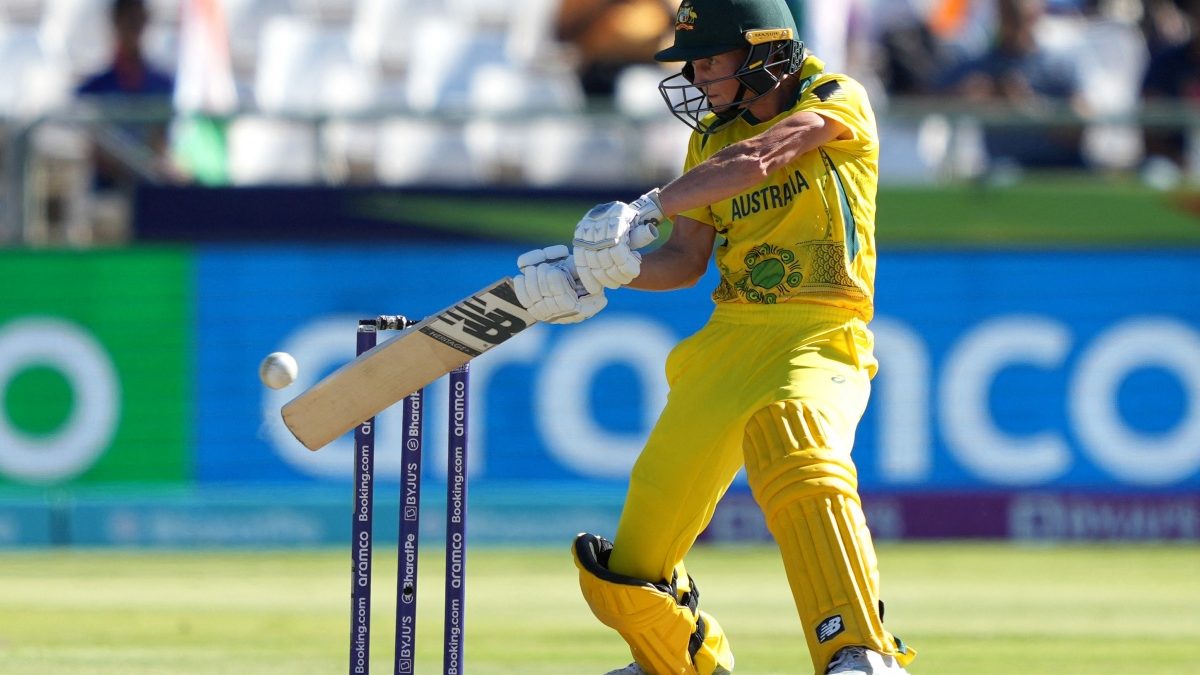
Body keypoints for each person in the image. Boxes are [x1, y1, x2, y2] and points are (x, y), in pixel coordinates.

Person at [512, 0, 916, 673]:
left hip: (818, 332)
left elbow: (770, 153)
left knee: (797, 442)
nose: (696, 78)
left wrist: (647, 205)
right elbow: (685, 260)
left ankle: (860, 653)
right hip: (729, 339)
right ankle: (678, 661)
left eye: (708, 60)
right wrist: (601, 271)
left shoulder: (836, 97)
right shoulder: (709, 140)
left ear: (762, 52)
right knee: (635, 556)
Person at [936, 0, 1088, 170]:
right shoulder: (976, 67)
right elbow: (920, 104)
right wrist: (963, 97)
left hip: (1058, 173)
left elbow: (1081, 128)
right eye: (1007, 10)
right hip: (1001, 175)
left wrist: (1028, 106)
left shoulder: (1058, 65)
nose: (1013, 18)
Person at [1140, 0, 1200, 176]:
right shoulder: (1166, 63)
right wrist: (1177, 158)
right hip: (1173, 161)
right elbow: (1148, 127)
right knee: (1156, 174)